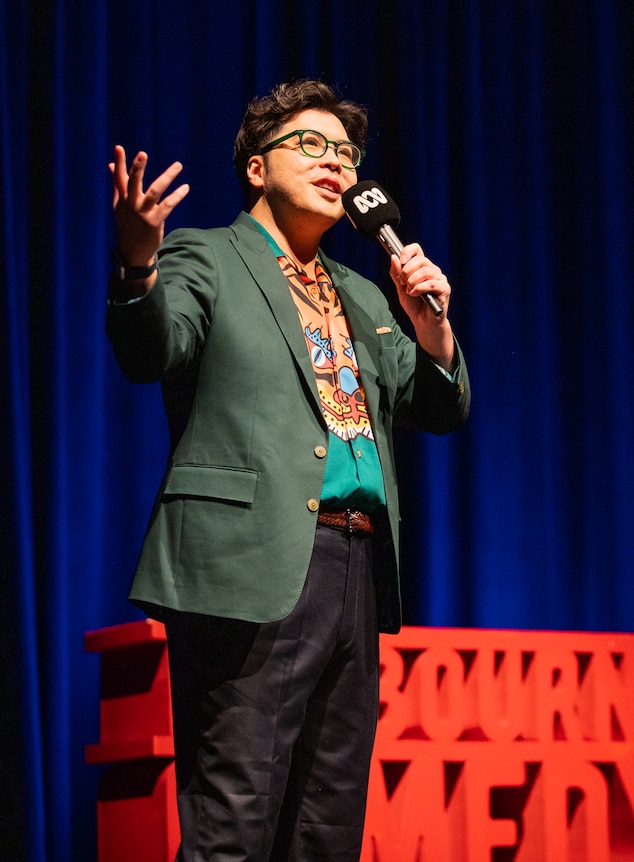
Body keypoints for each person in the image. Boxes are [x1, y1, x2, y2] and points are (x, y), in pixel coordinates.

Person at [106, 79, 470, 861]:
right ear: (256, 168)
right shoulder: (209, 254)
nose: (335, 163)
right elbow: (149, 349)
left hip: (356, 564)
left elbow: (440, 404)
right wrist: (139, 261)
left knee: (327, 825)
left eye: (346, 152)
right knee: (234, 817)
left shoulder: (365, 292)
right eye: (310, 145)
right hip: (248, 563)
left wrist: (430, 324)